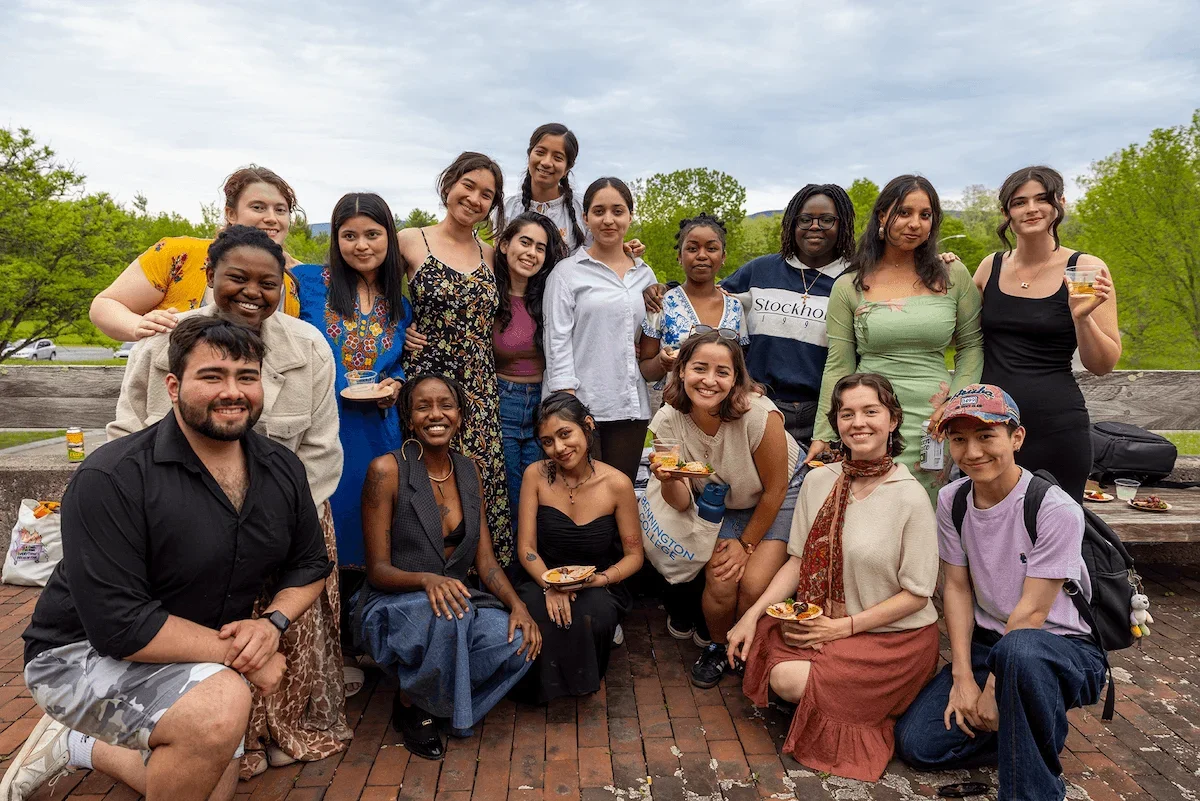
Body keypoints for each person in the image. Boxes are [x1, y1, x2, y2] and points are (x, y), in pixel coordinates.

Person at [6, 317, 333, 801]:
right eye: (212, 376)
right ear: (173, 386)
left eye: (247, 376)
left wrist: (271, 625)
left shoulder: (280, 467)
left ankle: (78, 746)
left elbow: (309, 564)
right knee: (222, 704)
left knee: (208, 781)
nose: (233, 391)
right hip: (79, 654)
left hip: (197, 652)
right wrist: (243, 659)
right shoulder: (112, 477)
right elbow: (120, 626)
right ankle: (84, 725)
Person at [106, 225, 351, 777]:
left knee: (283, 618)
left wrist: (275, 524)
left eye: (268, 282)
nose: (252, 292)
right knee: (205, 624)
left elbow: (320, 450)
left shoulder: (307, 346)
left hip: (290, 520)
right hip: (178, 526)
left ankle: (283, 725)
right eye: (236, 278)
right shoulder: (162, 345)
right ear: (211, 276)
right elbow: (125, 435)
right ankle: (212, 732)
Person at [894, 385, 1108, 801]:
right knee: (919, 745)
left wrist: (993, 690)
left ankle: (1034, 790)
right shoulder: (953, 500)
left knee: (1020, 652)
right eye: (959, 439)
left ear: (1016, 438)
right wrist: (962, 680)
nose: (972, 452)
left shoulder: (1054, 508)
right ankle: (1031, 727)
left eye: (986, 436)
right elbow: (955, 587)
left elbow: (1031, 614)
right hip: (992, 644)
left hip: (1060, 649)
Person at [727, 373, 940, 782]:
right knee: (767, 642)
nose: (858, 422)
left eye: (870, 411)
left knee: (786, 678)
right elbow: (797, 561)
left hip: (891, 639)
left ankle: (874, 701)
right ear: (837, 423)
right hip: (825, 618)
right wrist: (750, 616)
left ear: (893, 420)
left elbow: (917, 595)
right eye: (847, 414)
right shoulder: (819, 479)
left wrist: (839, 629)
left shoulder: (909, 495)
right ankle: (837, 690)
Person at [355, 374, 541, 761]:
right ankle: (412, 706)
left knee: (520, 642)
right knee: (452, 616)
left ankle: (433, 697)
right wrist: (428, 580)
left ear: (459, 416)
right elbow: (377, 570)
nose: (435, 415)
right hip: (394, 602)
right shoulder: (386, 471)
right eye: (423, 407)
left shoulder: (469, 471)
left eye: (446, 406)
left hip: (456, 601)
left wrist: (518, 606)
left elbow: (485, 561)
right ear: (408, 418)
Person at [810, 175, 984, 501]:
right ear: (881, 216)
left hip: (934, 423)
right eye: (903, 212)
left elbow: (972, 346)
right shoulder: (850, 286)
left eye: (925, 215)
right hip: (868, 420)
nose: (914, 224)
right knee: (870, 517)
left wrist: (955, 406)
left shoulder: (953, 276)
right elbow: (839, 364)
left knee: (927, 517)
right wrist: (825, 431)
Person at [647, 185, 856, 447]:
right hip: (757, 406)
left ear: (843, 224)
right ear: (792, 223)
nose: (815, 226)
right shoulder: (761, 271)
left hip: (823, 413)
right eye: (805, 219)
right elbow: (708, 290)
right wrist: (664, 289)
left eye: (826, 220)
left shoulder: (853, 281)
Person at [647, 331, 800, 688]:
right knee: (721, 577)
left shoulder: (759, 416)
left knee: (754, 582)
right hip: (724, 497)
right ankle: (718, 646)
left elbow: (776, 487)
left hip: (778, 495)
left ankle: (749, 644)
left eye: (722, 372)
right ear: (681, 370)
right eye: (700, 368)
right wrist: (669, 479)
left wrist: (746, 544)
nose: (710, 380)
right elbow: (682, 501)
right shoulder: (668, 420)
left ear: (736, 379)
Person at [973, 166, 1121, 501]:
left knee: (1056, 537)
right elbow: (957, 335)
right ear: (1006, 212)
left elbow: (1102, 364)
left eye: (1042, 199)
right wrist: (942, 269)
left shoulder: (1084, 269)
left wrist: (1082, 318)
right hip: (991, 425)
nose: (1031, 209)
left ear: (1060, 203)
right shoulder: (988, 267)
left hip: (1058, 428)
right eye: (1019, 202)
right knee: (988, 531)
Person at [294, 192, 411, 603]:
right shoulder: (308, 282)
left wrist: (395, 384)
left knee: (376, 523)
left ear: (389, 237)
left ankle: (369, 626)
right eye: (349, 235)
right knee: (325, 520)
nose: (361, 245)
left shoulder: (401, 304)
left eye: (372, 234)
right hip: (322, 428)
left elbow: (394, 364)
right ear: (336, 240)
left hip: (377, 430)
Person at [398, 153, 514, 562]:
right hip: (427, 386)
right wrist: (400, 331)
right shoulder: (411, 239)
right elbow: (369, 291)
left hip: (480, 392)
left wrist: (631, 259)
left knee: (478, 482)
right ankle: (426, 578)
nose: (475, 199)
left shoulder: (492, 254)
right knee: (425, 481)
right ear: (449, 184)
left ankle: (487, 582)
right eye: (469, 186)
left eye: (487, 194)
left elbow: (544, 271)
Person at [511, 392, 643, 703]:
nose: (558, 448)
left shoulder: (617, 484)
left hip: (598, 580)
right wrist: (551, 584)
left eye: (564, 434)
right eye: (547, 441)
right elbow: (526, 547)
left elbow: (635, 555)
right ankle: (540, 688)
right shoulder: (536, 476)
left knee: (591, 614)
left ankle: (580, 681)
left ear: (587, 426)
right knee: (537, 613)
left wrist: (601, 579)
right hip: (540, 575)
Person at [90, 166, 305, 342]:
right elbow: (104, 305)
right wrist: (137, 326)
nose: (271, 218)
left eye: (280, 210)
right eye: (258, 207)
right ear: (231, 213)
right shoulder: (178, 254)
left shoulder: (299, 276)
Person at [543, 177, 657, 482]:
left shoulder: (644, 274)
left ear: (630, 216)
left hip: (628, 406)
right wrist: (568, 409)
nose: (608, 220)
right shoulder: (567, 273)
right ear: (585, 218)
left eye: (618, 211)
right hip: (580, 407)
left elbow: (649, 333)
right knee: (580, 499)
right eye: (599, 211)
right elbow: (557, 343)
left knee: (620, 496)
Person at [492, 212, 567, 534]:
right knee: (509, 495)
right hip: (502, 402)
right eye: (525, 242)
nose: (531, 253)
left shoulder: (552, 293)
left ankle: (540, 571)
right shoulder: (486, 295)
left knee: (543, 493)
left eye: (540, 247)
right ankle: (510, 575)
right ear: (505, 244)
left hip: (546, 404)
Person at [639, 213, 748, 405]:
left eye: (712, 248)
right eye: (692, 248)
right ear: (679, 256)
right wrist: (662, 363)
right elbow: (646, 369)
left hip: (724, 413)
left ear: (723, 257)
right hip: (676, 410)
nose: (702, 255)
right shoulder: (661, 304)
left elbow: (741, 367)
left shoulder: (735, 308)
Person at [502, 123, 588, 251]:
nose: (546, 162)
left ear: (567, 168)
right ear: (529, 154)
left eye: (557, 157)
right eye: (540, 152)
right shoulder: (508, 208)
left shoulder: (583, 209)